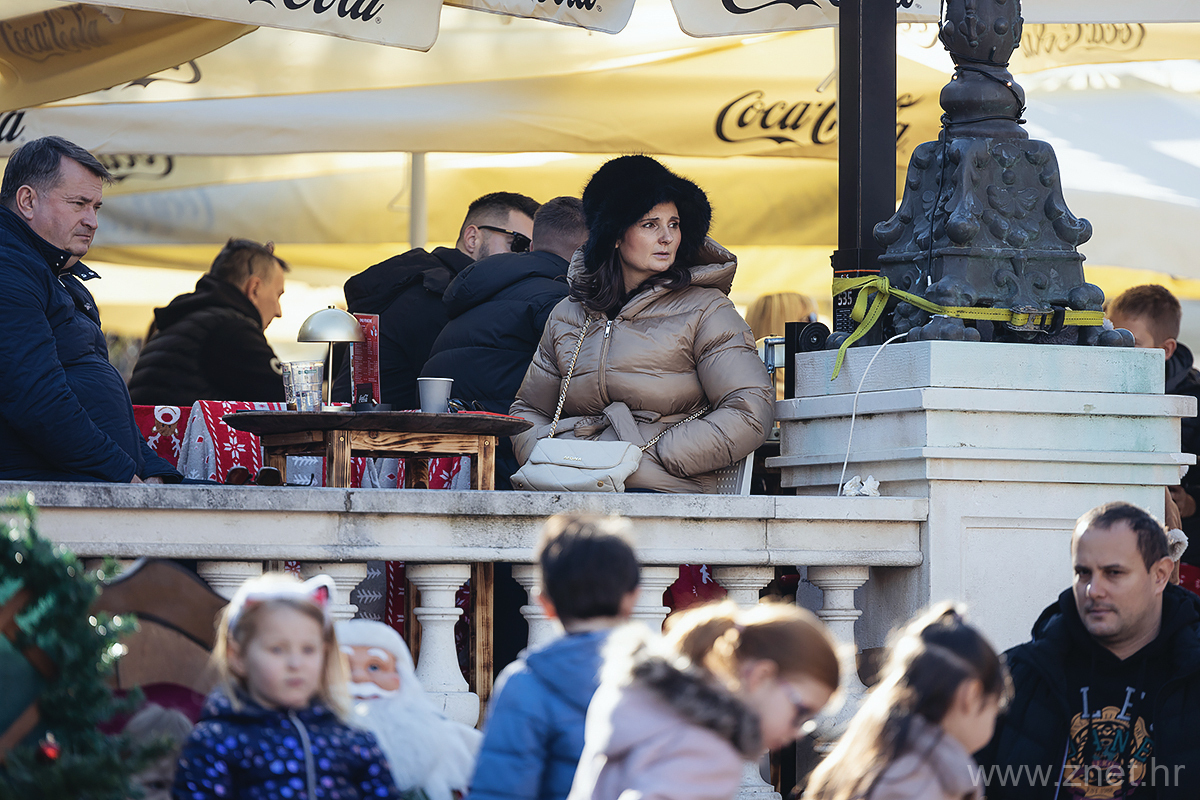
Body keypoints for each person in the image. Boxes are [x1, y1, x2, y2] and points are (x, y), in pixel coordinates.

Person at [510, 155, 773, 493]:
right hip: (569, 485)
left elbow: (750, 409)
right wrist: (547, 450)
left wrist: (663, 453)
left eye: (674, 224)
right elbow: (528, 410)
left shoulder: (707, 309)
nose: (667, 237)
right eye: (650, 225)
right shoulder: (569, 314)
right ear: (615, 235)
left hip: (658, 492)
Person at [975, 502, 1200, 799]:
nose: (1093, 590)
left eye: (1114, 573)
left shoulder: (1191, 676)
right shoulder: (1017, 677)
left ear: (1160, 575)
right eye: (1083, 573)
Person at [0, 135, 179, 483]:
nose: (92, 221)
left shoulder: (60, 275)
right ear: (27, 201)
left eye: (95, 207)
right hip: (42, 493)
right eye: (79, 203)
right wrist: (123, 473)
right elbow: (35, 400)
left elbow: (105, 408)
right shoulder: (9, 268)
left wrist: (154, 470)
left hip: (89, 482)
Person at [567, 600, 838, 800]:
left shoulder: (635, 697)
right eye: (801, 711)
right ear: (761, 676)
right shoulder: (708, 752)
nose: (799, 732)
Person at [172, 573, 405, 799]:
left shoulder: (353, 741)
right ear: (238, 656)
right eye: (277, 649)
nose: (295, 663)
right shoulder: (216, 742)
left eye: (308, 650)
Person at [470, 514, 641, 800]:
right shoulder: (674, 681)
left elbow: (499, 791)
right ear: (633, 598)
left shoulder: (523, 685)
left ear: (544, 603)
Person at [423, 197, 589, 487]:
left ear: (533, 246)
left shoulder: (479, 290)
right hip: (506, 462)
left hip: (449, 460)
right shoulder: (559, 301)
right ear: (588, 252)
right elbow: (587, 387)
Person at [337, 191, 539, 409]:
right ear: (472, 238)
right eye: (518, 244)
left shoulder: (422, 281)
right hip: (379, 429)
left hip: (363, 426)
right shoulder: (437, 295)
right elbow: (468, 387)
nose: (523, 259)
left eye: (531, 252)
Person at [805, 604, 1011, 800]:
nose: (995, 721)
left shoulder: (884, 756)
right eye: (997, 707)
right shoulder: (918, 785)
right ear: (971, 695)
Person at [128, 238, 288, 407]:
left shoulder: (177, 324)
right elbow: (289, 400)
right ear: (254, 288)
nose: (278, 312)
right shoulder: (232, 330)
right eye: (278, 295)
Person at [336, 618, 482, 800]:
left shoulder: (450, 739)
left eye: (374, 667)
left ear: (401, 676)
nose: (359, 677)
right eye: (344, 667)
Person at [1108, 285, 1200, 567]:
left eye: (1132, 342)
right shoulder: (1102, 386)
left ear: (1166, 349)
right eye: (1110, 337)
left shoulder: (1195, 398)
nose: (1118, 350)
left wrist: (1192, 502)